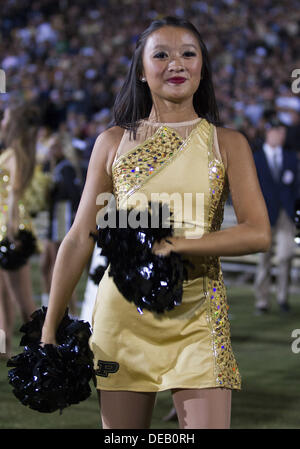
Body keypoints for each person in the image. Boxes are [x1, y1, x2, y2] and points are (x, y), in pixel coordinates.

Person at [41, 16, 271, 429]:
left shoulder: (229, 142)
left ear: (202, 66)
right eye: (161, 54)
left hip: (199, 316)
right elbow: (78, 238)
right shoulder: (111, 142)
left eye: (188, 53)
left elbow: (258, 232)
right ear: (142, 72)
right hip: (122, 319)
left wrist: (176, 245)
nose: (176, 64)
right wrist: (49, 326)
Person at [0, 103, 40, 357]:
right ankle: (2, 347)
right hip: (6, 228)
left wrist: (12, 229)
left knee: (22, 299)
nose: (2, 122)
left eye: (4, 118)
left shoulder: (15, 154)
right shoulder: (15, 152)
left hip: (10, 230)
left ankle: (44, 349)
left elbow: (14, 193)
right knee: (3, 295)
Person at [253, 117, 298, 313]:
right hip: (263, 214)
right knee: (264, 258)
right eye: (277, 131)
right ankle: (262, 300)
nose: (281, 135)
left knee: (286, 256)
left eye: (282, 132)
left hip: (286, 214)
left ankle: (282, 297)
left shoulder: (290, 157)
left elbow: (297, 187)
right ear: (268, 133)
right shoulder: (256, 158)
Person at [40, 134, 81, 316]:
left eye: (55, 146)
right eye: (50, 147)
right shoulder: (47, 166)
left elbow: (71, 194)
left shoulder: (66, 168)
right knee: (45, 264)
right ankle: (46, 302)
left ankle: (70, 310)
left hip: (62, 215)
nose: (51, 150)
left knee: (60, 265)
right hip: (51, 216)